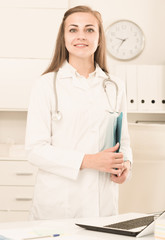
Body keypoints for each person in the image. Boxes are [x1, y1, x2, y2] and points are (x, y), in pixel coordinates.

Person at [25, 5, 132, 220]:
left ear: (100, 38)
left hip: (103, 203)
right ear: (63, 38)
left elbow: (124, 141)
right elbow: (35, 150)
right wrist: (89, 161)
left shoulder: (115, 86)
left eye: (89, 30)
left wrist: (125, 166)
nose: (81, 36)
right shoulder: (46, 85)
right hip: (58, 204)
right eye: (73, 30)